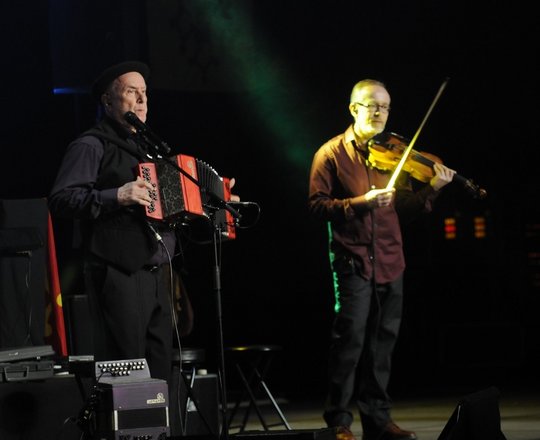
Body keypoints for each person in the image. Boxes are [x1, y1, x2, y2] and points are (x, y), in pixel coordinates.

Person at [48, 61, 239, 383]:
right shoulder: (91, 145)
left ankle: (161, 433)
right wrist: (116, 195)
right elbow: (61, 199)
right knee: (129, 368)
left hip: (158, 272)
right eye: (131, 92)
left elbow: (175, 207)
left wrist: (216, 207)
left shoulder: (149, 150)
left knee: (160, 367)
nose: (141, 100)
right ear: (108, 101)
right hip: (117, 270)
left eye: (145, 93)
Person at [308, 79, 456, 440]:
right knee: (350, 343)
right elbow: (316, 206)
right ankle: (339, 422)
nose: (379, 113)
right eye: (372, 105)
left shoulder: (394, 152)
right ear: (353, 109)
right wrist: (363, 202)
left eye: (385, 107)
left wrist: (429, 189)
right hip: (353, 259)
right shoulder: (330, 154)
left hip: (391, 259)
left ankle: (378, 419)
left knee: (382, 345)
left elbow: (400, 211)